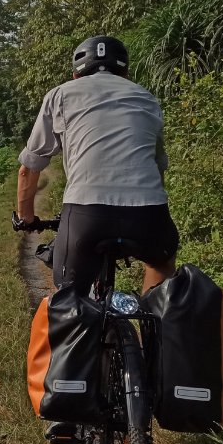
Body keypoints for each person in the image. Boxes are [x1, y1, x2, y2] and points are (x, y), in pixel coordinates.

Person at [15, 34, 178, 297]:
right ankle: (155, 320)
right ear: (125, 72)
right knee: (162, 262)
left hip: (86, 212)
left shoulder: (60, 95)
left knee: (70, 297)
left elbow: (29, 167)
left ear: (76, 75)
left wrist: (26, 218)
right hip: (148, 213)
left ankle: (78, 328)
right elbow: (158, 166)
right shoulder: (147, 98)